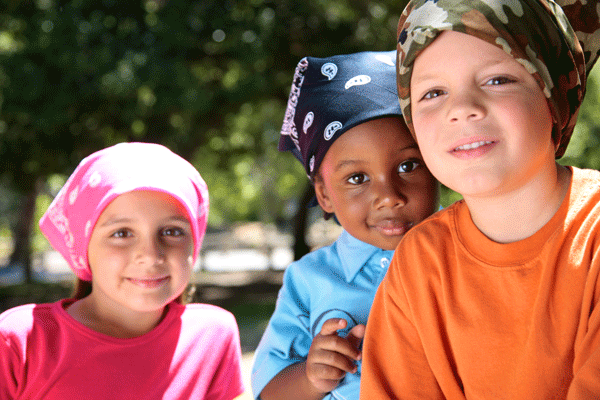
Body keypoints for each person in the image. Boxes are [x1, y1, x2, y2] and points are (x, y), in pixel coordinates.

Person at [360, 0, 600, 398]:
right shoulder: (419, 263)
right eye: (433, 92)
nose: (462, 109)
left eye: (497, 80)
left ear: (555, 97)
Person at [251, 51, 440, 400]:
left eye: (409, 166)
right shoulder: (308, 281)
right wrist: (310, 378)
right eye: (357, 177)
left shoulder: (471, 254)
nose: (388, 196)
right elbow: (268, 390)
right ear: (323, 195)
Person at [0, 142, 244, 400]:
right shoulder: (20, 341)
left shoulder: (213, 336)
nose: (150, 255)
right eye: (122, 233)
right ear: (84, 246)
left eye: (172, 231)